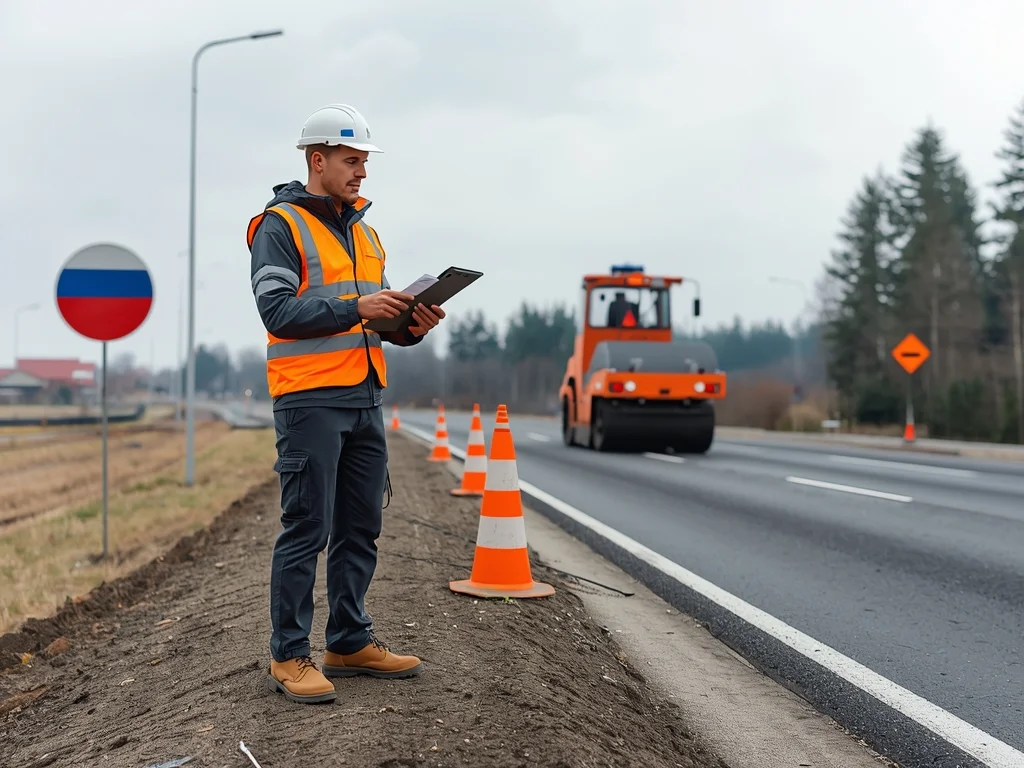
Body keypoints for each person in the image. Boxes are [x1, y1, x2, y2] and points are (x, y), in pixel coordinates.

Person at [246, 103, 445, 705]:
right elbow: (277, 311)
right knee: (307, 527)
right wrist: (358, 307)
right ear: (318, 160)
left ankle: (349, 641)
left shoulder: (366, 233)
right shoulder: (279, 227)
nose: (362, 172)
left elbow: (371, 323)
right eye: (352, 160)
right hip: (309, 399)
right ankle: (289, 654)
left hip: (364, 396)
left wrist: (409, 326)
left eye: (364, 161)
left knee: (361, 526)